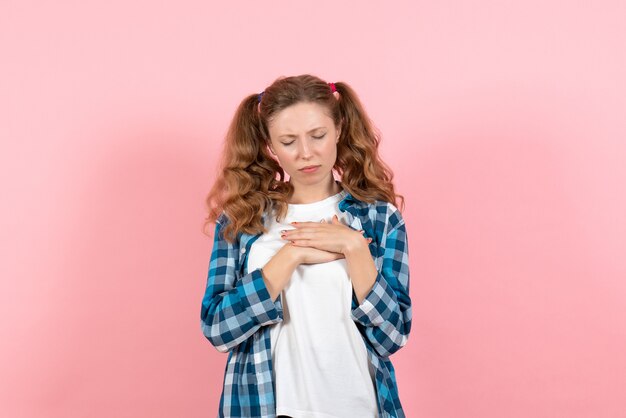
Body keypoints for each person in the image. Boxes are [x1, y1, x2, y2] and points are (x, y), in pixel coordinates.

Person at [200, 74, 412, 418]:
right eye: (288, 141)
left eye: (318, 135)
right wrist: (291, 255)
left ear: (339, 129)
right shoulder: (242, 220)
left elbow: (393, 337)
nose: (306, 153)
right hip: (266, 408)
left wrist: (354, 249)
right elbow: (219, 330)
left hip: (360, 407)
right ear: (270, 146)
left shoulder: (379, 219)